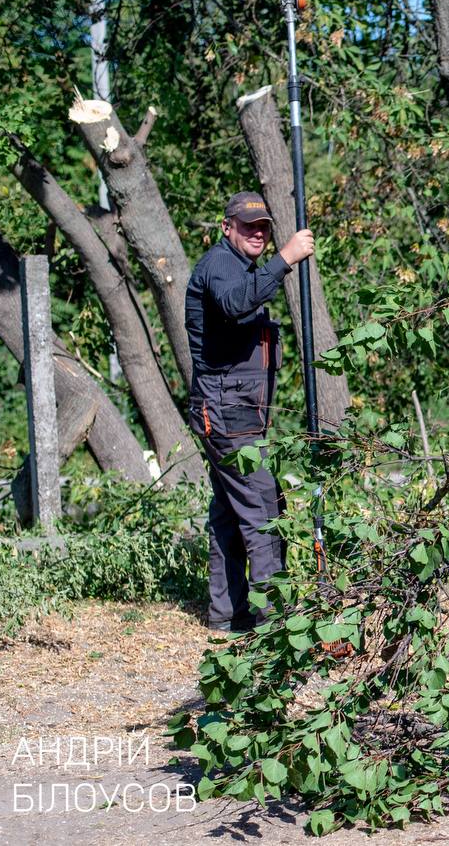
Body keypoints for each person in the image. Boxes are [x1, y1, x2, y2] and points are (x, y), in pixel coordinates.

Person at [185, 192, 315, 631]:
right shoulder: (220, 265)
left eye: (264, 227)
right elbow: (233, 304)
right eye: (248, 226)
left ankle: (228, 613)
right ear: (227, 228)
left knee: (230, 510)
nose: (258, 233)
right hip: (225, 410)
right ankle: (273, 621)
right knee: (261, 506)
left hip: (231, 409)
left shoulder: (240, 266)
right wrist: (286, 258)